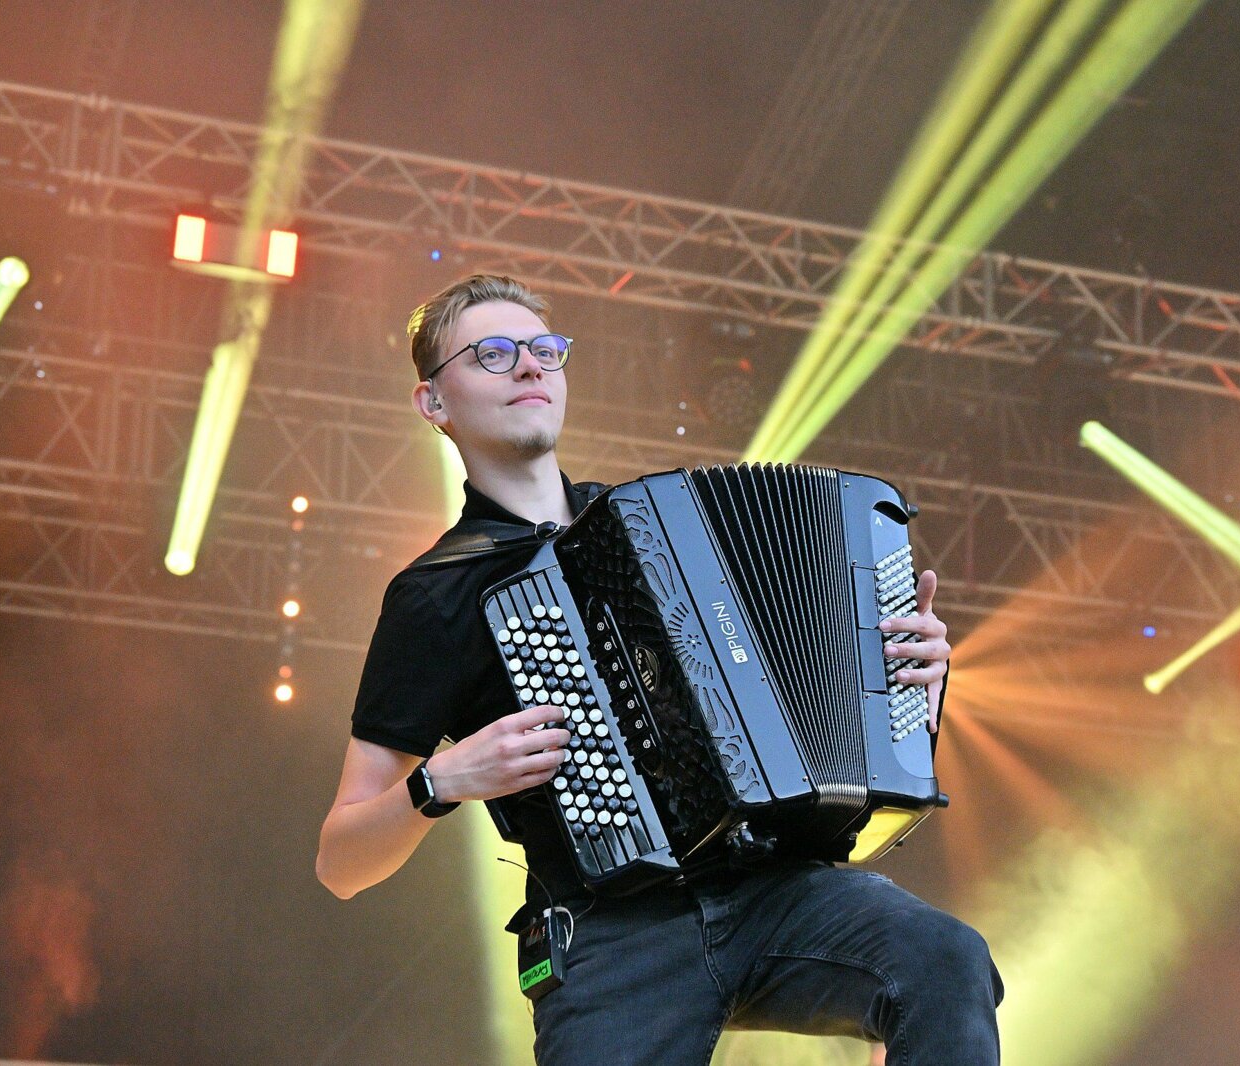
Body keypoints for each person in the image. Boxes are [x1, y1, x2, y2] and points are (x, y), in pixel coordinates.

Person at [316, 275, 1002, 1065]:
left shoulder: (658, 523)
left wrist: (903, 684)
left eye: (544, 350)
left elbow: (805, 702)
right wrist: (445, 779)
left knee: (945, 960)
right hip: (610, 934)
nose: (530, 366)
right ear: (433, 401)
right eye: (493, 354)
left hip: (770, 889)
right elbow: (340, 861)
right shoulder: (434, 597)